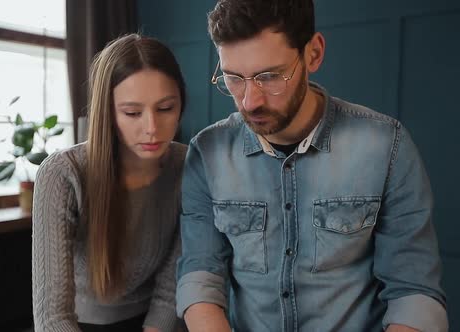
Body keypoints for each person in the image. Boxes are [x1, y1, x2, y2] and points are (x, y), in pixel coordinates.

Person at [176, 1, 447, 331]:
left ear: (313, 54)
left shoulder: (386, 145)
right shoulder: (207, 153)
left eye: (270, 76)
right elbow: (200, 276)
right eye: (234, 78)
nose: (250, 101)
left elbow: (414, 292)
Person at [32, 33, 187, 332]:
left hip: (157, 322)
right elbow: (52, 316)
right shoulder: (62, 174)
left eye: (166, 108)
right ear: (108, 112)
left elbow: (171, 286)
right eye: (132, 112)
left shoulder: (189, 165)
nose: (152, 128)